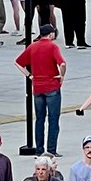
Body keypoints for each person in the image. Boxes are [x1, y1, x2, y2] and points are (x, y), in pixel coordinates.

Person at [15, 24, 66, 157]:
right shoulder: (53, 46)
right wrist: (62, 75)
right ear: (50, 34)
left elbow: (18, 62)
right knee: (53, 120)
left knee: (39, 119)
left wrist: (30, 75)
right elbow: (62, 64)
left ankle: (39, 150)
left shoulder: (32, 46)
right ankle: (51, 150)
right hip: (52, 86)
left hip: (37, 87)